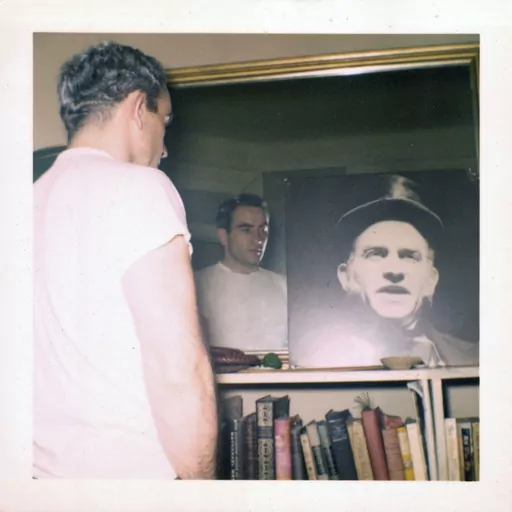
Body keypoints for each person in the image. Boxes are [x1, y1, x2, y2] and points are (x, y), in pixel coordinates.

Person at [33, 42, 218, 479]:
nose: (164, 147)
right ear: (137, 108)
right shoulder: (141, 187)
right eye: (164, 121)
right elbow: (178, 370)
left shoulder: (26, 200)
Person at [292, 175, 478, 368]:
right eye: (375, 254)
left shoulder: (474, 359)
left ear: (431, 279)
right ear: (346, 276)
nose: (394, 271)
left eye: (409, 256)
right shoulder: (312, 360)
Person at [195, 193, 288, 351]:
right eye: (246, 230)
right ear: (223, 236)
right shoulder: (199, 285)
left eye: (263, 229)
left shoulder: (284, 286)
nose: (258, 238)